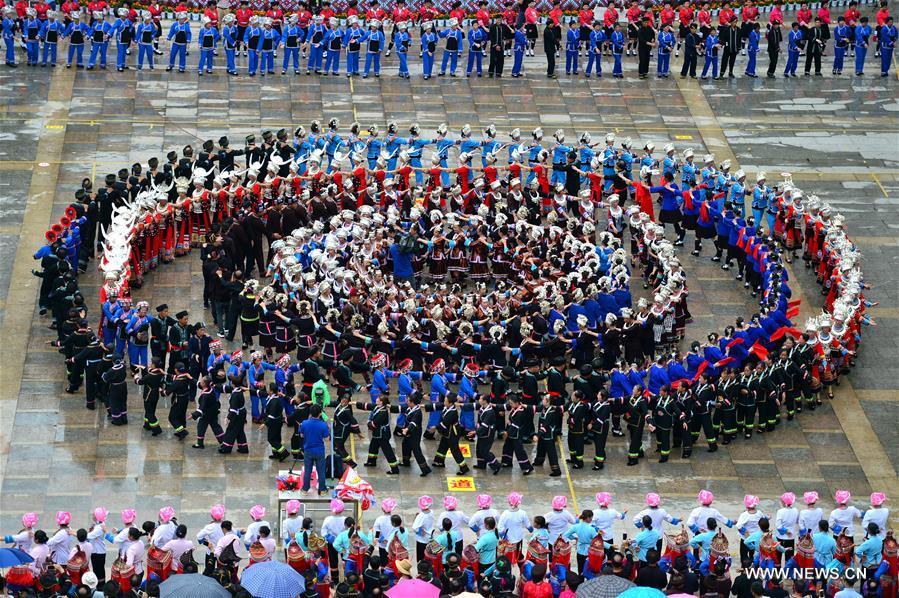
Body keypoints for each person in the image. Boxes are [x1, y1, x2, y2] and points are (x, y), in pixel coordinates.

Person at [299, 404, 330, 494]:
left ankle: (305, 489)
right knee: (321, 471)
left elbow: (301, 435)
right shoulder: (323, 425)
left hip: (308, 450)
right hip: (319, 451)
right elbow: (327, 439)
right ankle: (322, 489)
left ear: (310, 413)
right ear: (320, 413)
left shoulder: (304, 423)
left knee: (307, 470)